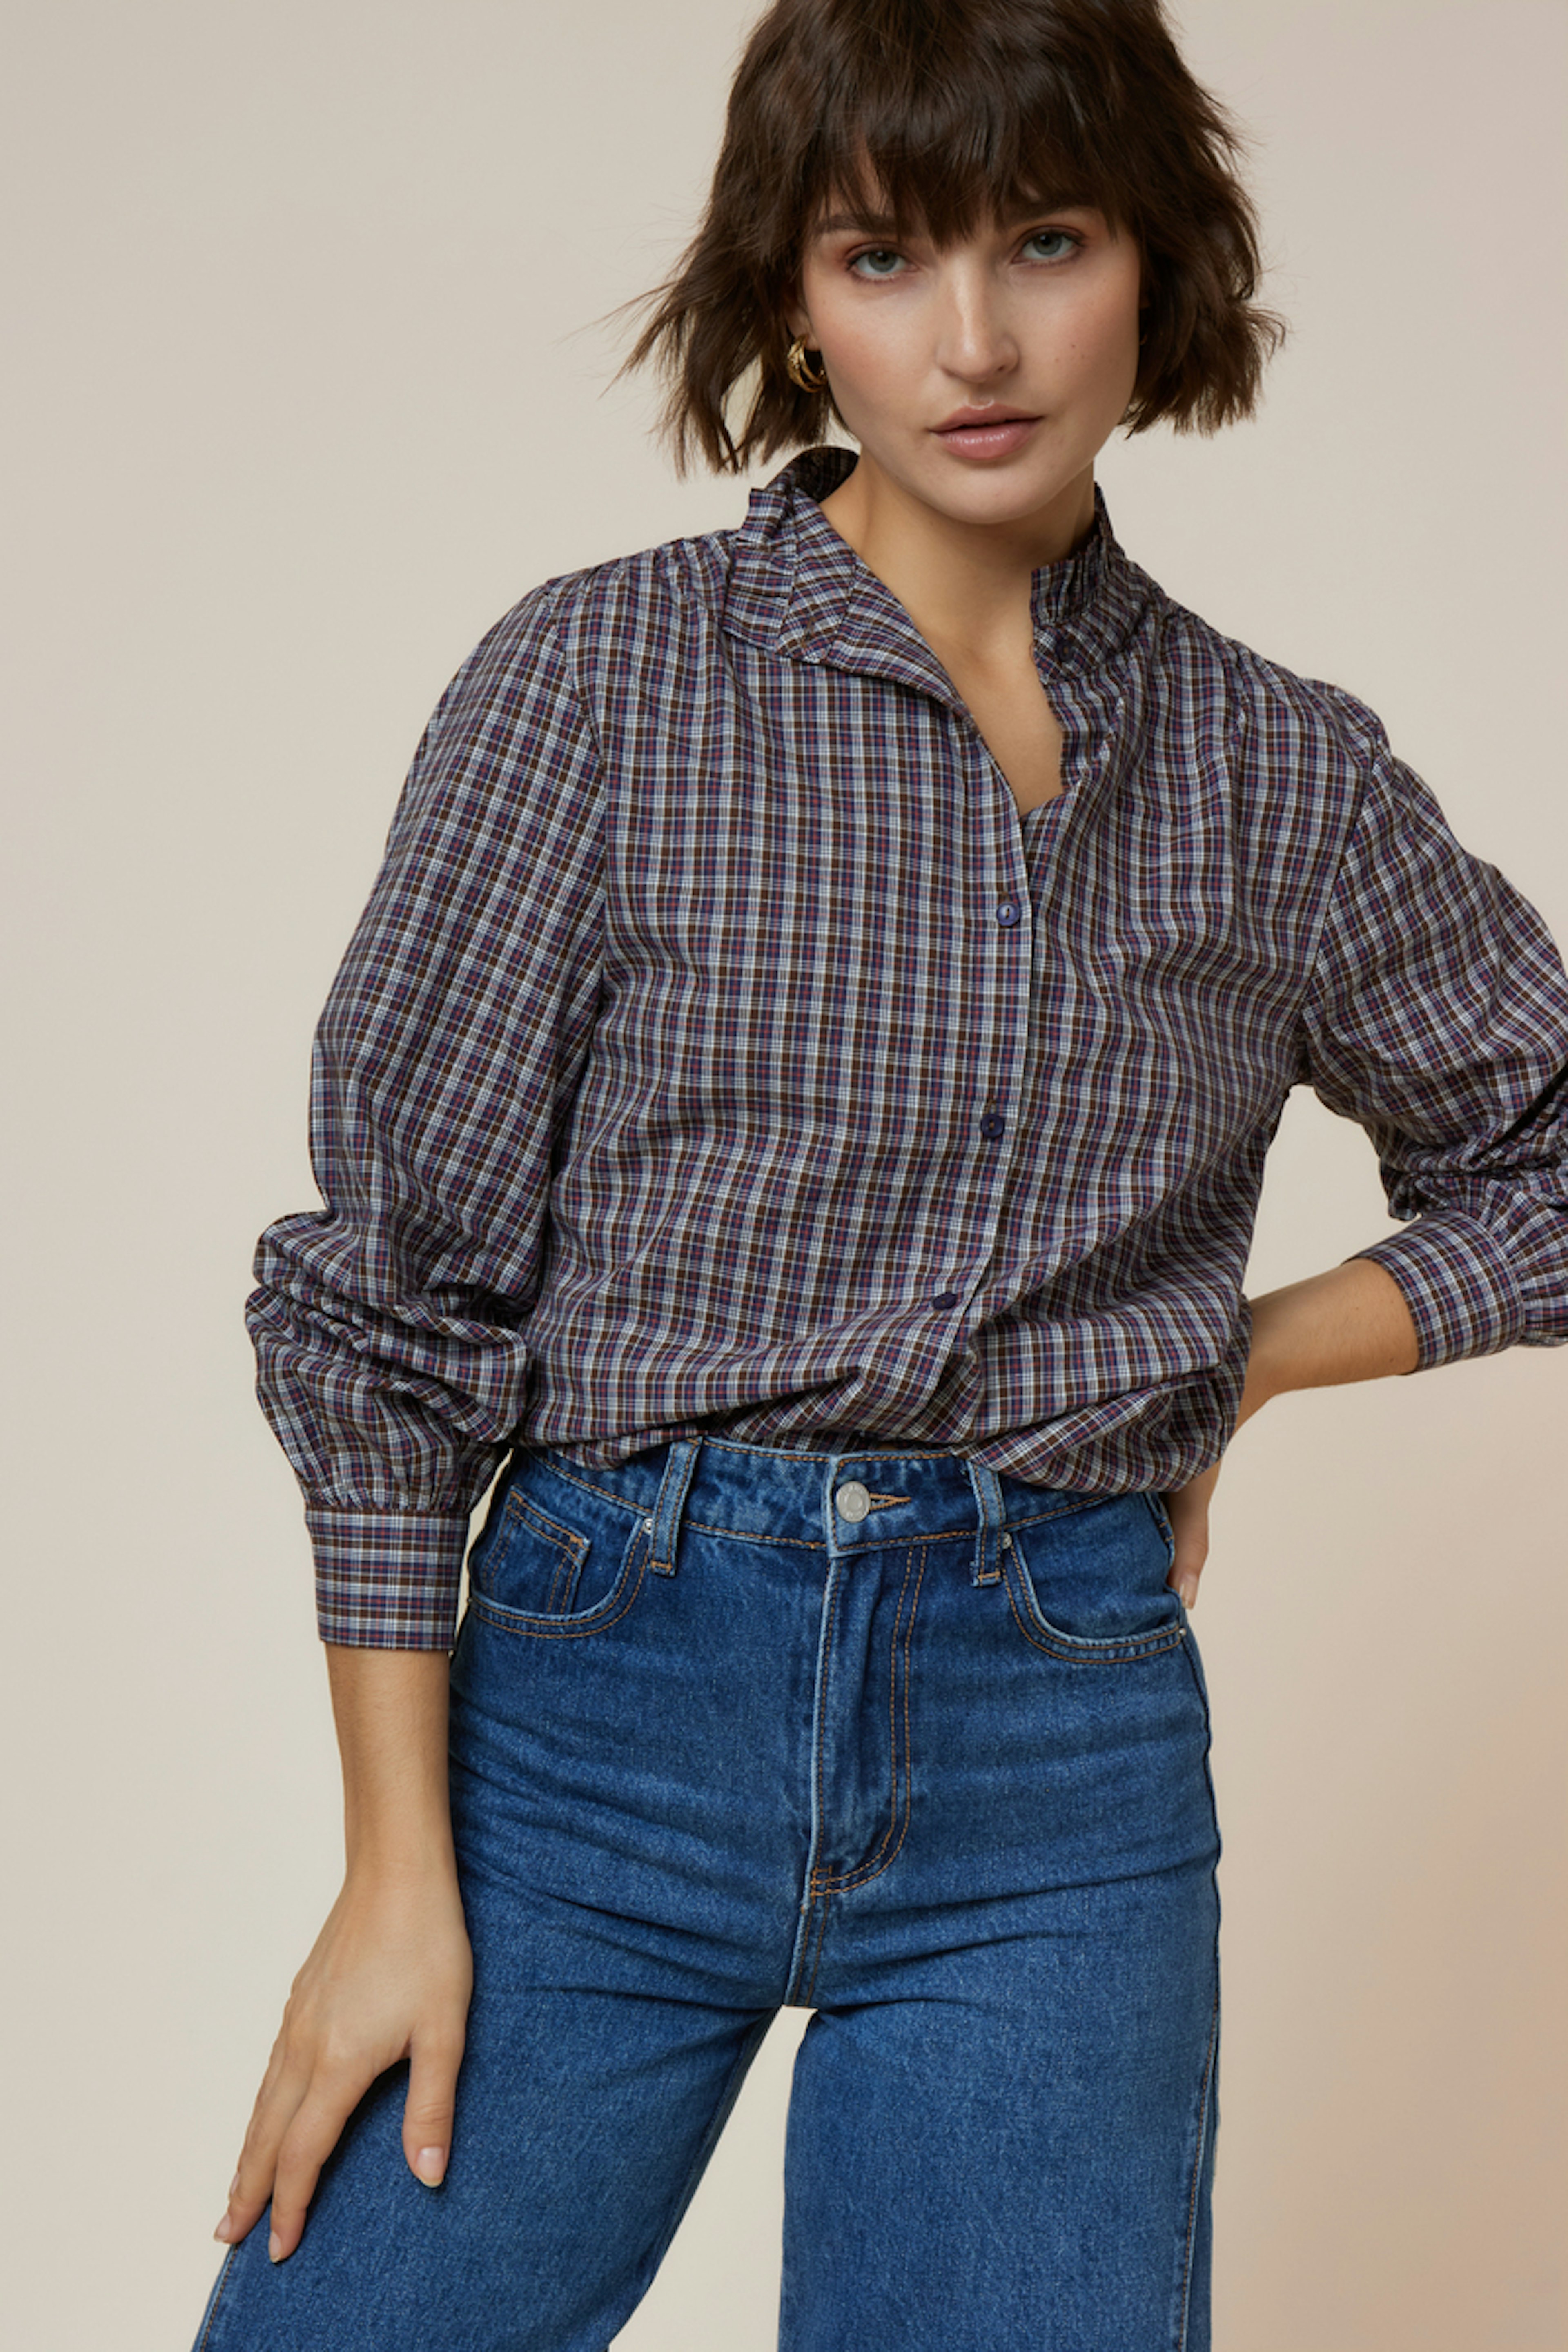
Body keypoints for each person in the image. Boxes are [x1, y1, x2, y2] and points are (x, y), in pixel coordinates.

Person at [189, 1, 1568, 2346]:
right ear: (793, 298)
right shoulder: (601, 689)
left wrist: (1237, 1356)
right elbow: (390, 1304)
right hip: (599, 1722)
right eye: (884, 255)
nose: (974, 341)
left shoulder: (1280, 775)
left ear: (1157, 260)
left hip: (1059, 1756)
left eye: (1046, 241)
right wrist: (395, 1872)